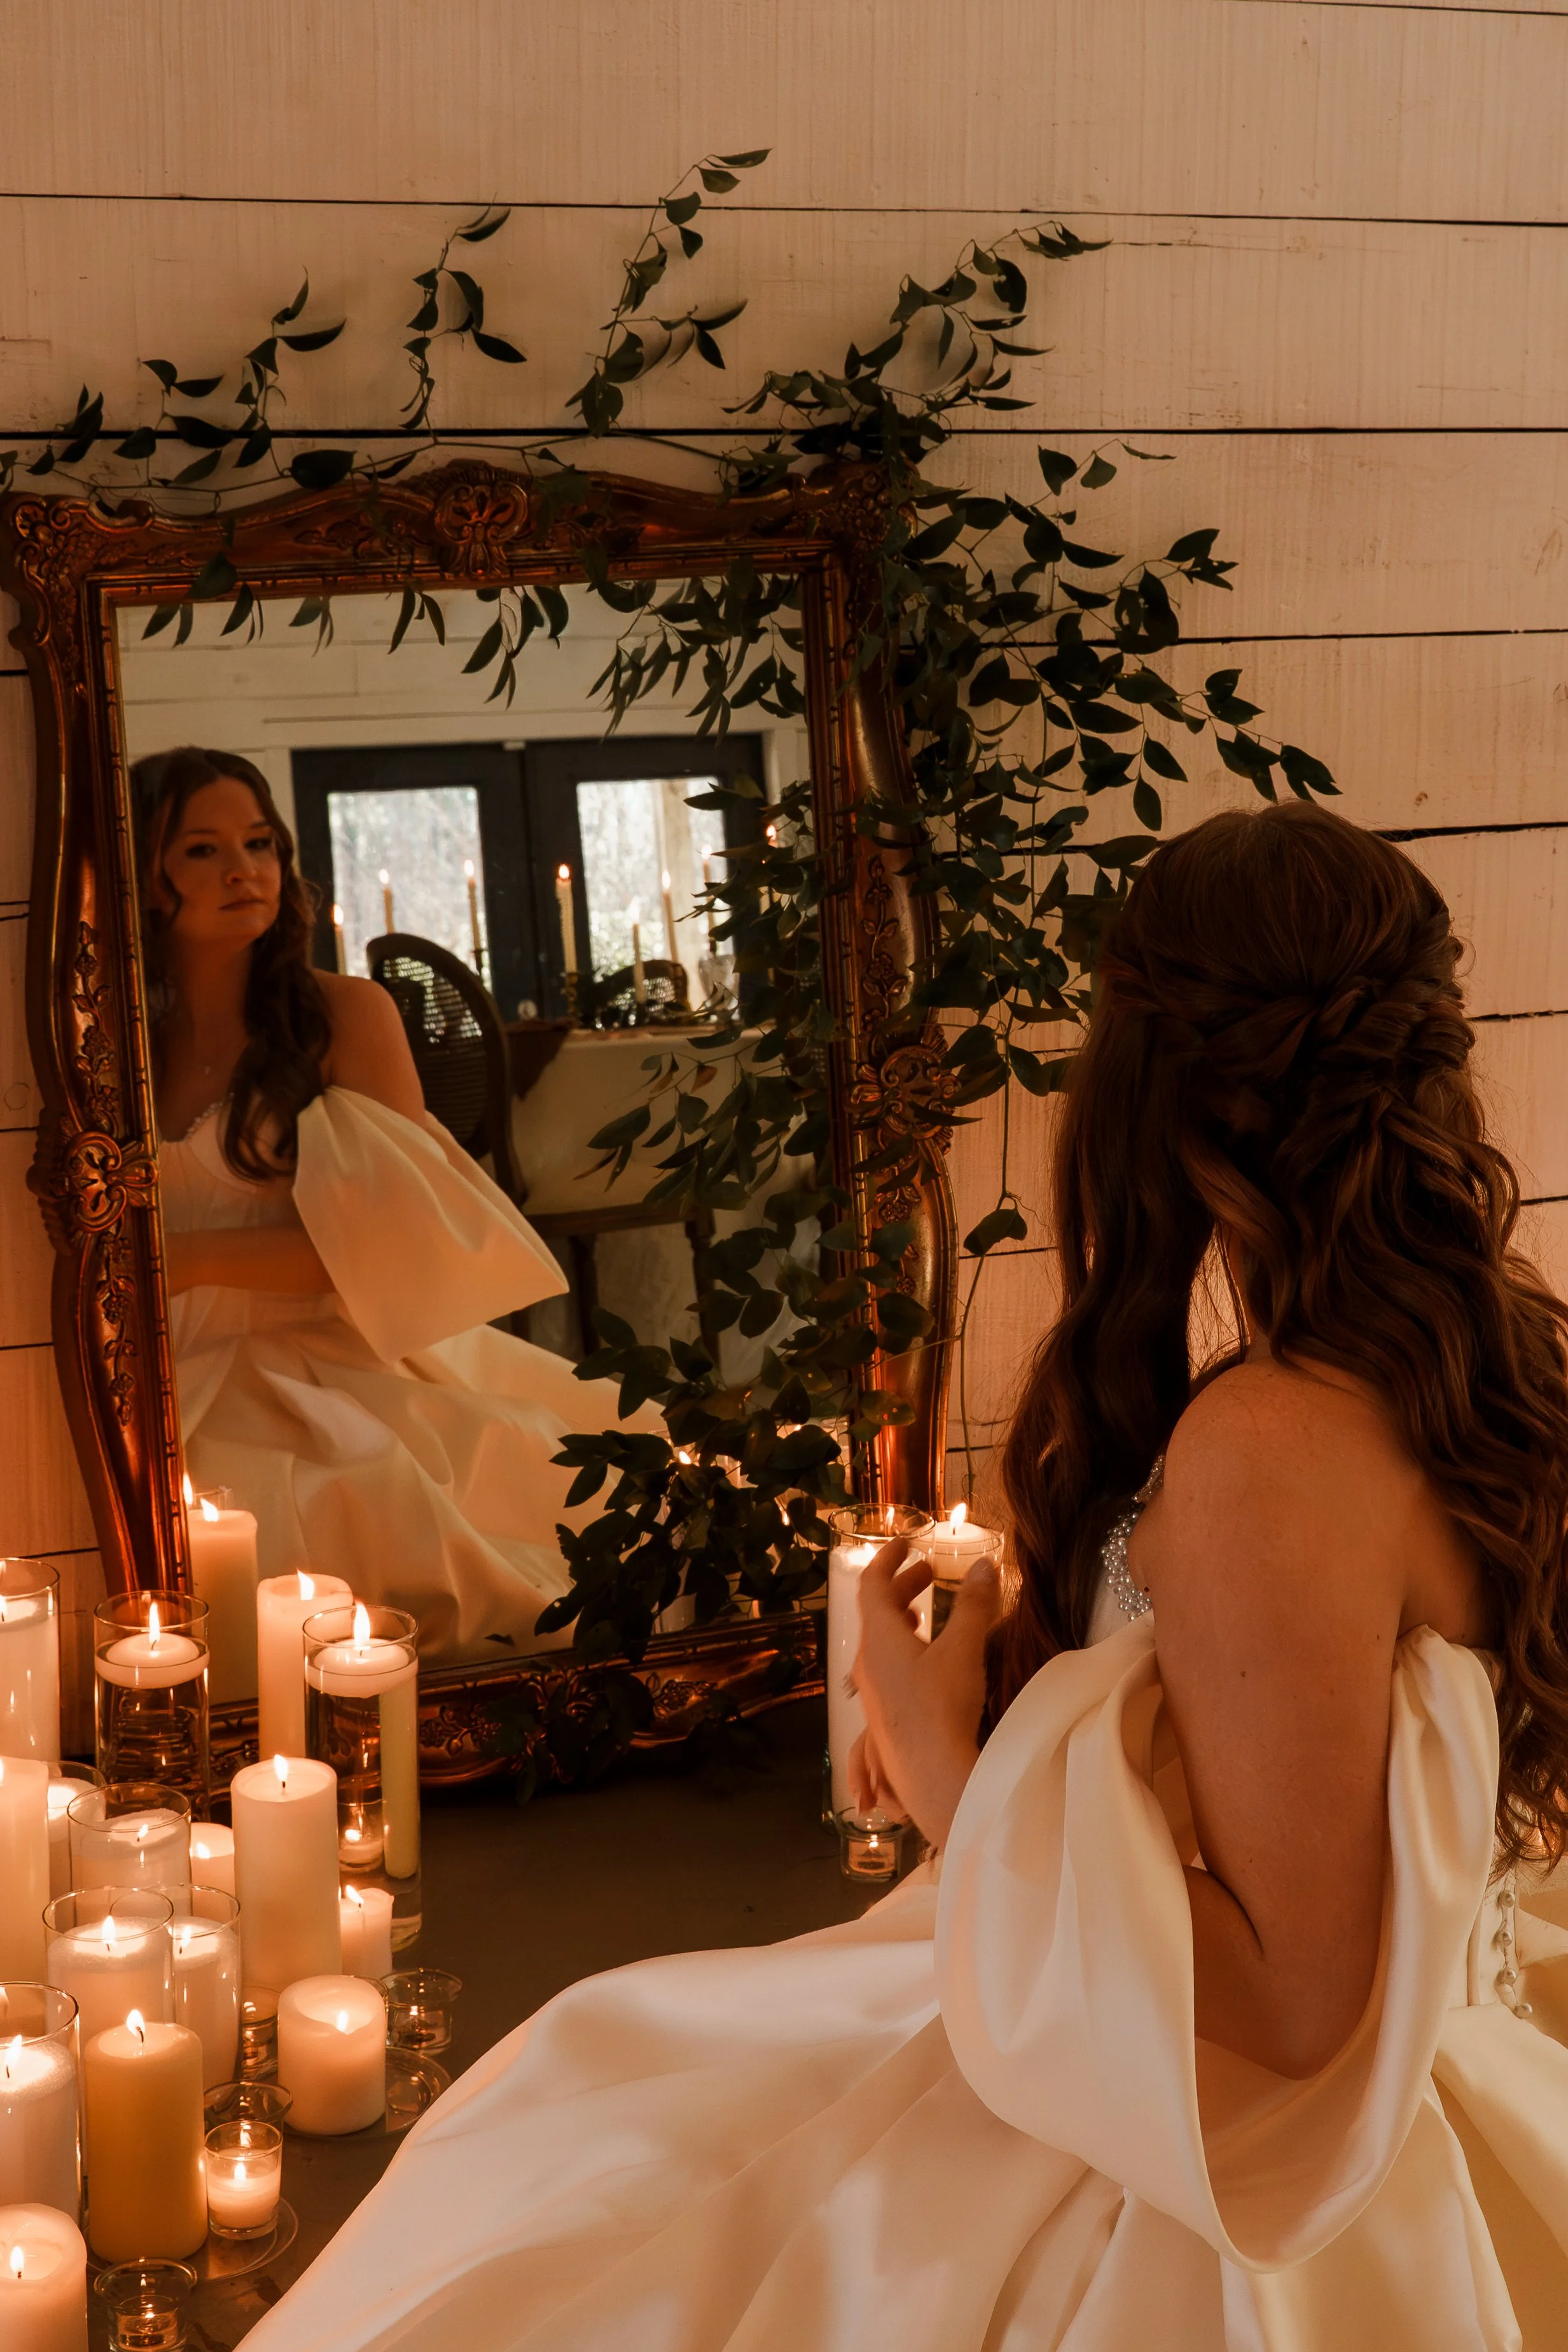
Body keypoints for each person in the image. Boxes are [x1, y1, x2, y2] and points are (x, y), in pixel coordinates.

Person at [245, 804, 1568, 2348]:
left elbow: (1288, 2012)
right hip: (1328, 2054)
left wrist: (950, 1768)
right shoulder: (1471, 1367)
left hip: (1231, 2182)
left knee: (583, 2200)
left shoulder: (1273, 1444)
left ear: (1155, 1081)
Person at [135, 744, 653, 1659]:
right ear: (143, 874)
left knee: (369, 1492)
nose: (244, 870)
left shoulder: (345, 1016)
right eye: (201, 850)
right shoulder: (110, 1033)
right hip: (164, 1363)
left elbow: (389, 1248)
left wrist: (173, 1260)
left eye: (260, 843)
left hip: (339, 1353)